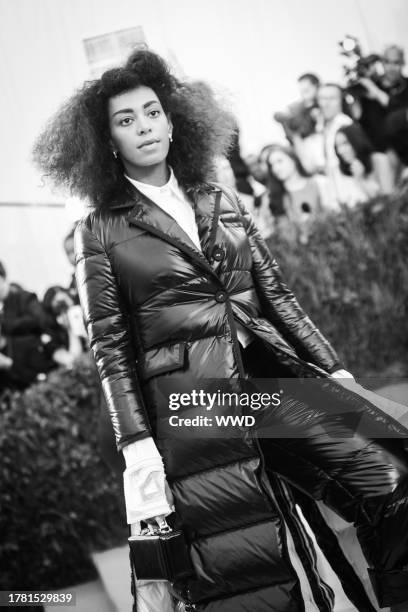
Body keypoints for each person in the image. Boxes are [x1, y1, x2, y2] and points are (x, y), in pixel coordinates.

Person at [33, 49, 408, 612]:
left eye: (151, 111)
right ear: (106, 142)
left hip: (275, 380)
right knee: (256, 565)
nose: (144, 127)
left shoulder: (218, 199)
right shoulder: (100, 230)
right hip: (199, 404)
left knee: (393, 480)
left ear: (172, 119)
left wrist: (335, 373)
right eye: (125, 119)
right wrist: (137, 448)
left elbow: (278, 297)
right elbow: (110, 348)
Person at [254, 144, 334, 242]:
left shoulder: (319, 182)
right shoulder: (271, 197)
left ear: (293, 159)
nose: (276, 168)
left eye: (279, 161)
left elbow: (333, 214)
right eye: (271, 165)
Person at [0, 261, 54, 391]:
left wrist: (5, 324)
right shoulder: (3, 308)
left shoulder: (24, 297)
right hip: (17, 372)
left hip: (39, 359)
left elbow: (40, 321)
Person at [334, 123, 393, 205]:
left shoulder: (379, 160)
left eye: (345, 143)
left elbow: (387, 198)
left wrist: (361, 180)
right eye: (338, 146)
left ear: (356, 140)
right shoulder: (347, 171)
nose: (340, 151)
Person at [42, 286, 86, 368]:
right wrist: (70, 328)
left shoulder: (82, 315)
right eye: (59, 309)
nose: (66, 313)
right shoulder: (49, 335)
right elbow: (73, 361)